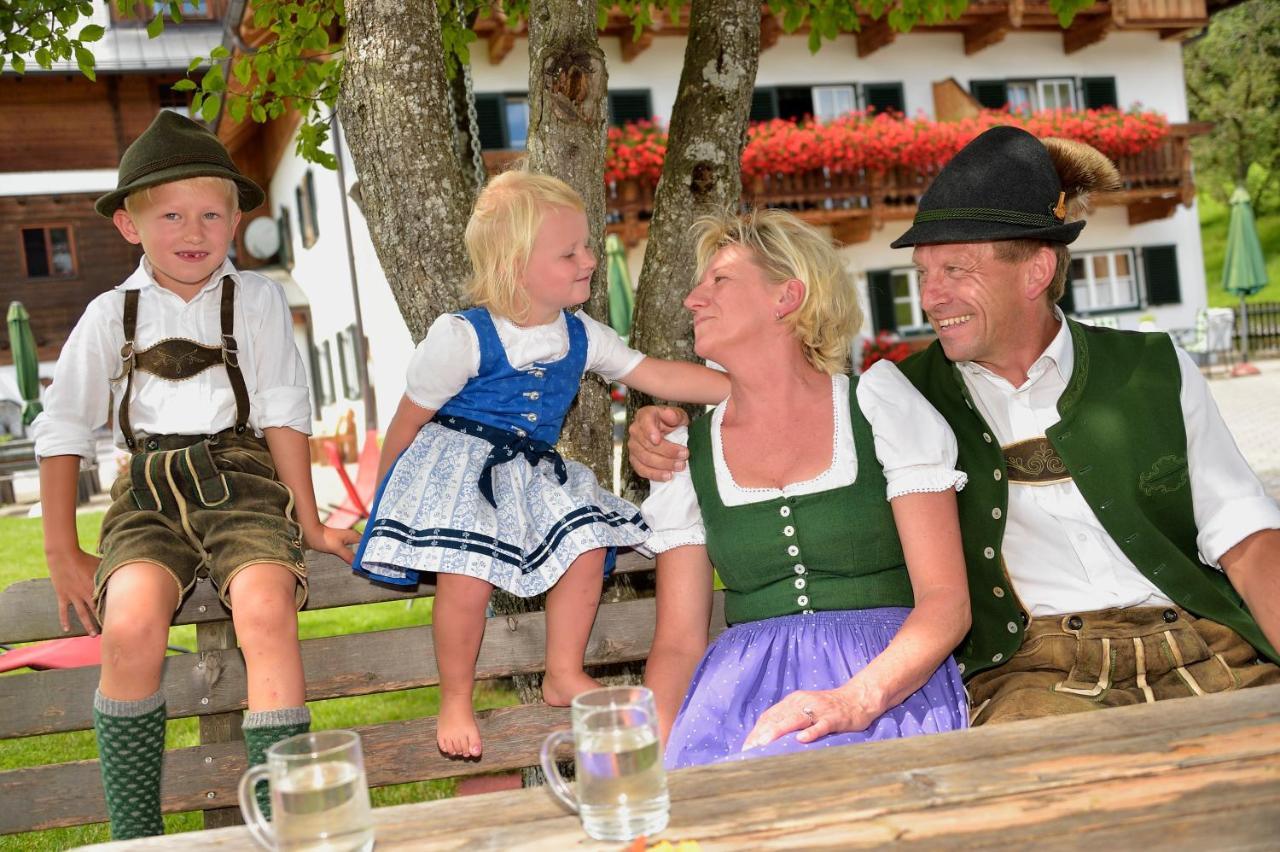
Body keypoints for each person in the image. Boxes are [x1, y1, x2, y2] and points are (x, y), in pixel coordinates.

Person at [631, 126, 1280, 727]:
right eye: (923, 275)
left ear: (1036, 270)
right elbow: (787, 395)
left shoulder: (1152, 368)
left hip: (1203, 645)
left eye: (956, 272)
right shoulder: (903, 398)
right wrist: (666, 427)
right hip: (1039, 674)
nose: (930, 297)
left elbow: (1247, 544)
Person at [34, 111, 360, 840]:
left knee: (266, 610)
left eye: (212, 213)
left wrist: (307, 520)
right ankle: (137, 834)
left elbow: (282, 410)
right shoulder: (107, 315)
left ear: (237, 218)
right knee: (129, 623)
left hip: (242, 479)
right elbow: (62, 430)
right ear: (129, 225)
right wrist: (61, 550)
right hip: (148, 490)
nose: (194, 230)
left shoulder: (258, 300)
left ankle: (287, 823)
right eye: (172, 214)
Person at [351, 169, 730, 759]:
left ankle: (562, 671)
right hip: (459, 470)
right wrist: (385, 507)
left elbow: (653, 374)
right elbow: (407, 422)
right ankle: (456, 696)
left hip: (530, 470)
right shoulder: (461, 336)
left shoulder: (580, 335)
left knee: (585, 540)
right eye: (569, 252)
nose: (587, 260)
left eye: (586, 244)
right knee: (466, 575)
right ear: (514, 266)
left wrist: (741, 385)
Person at [639, 208, 971, 769]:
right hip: (740, 698)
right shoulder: (688, 452)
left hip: (886, 685)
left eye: (719, 280)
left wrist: (858, 698)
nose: (693, 300)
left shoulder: (878, 408)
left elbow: (946, 603)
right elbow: (677, 643)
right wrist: (649, 767)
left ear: (787, 297)